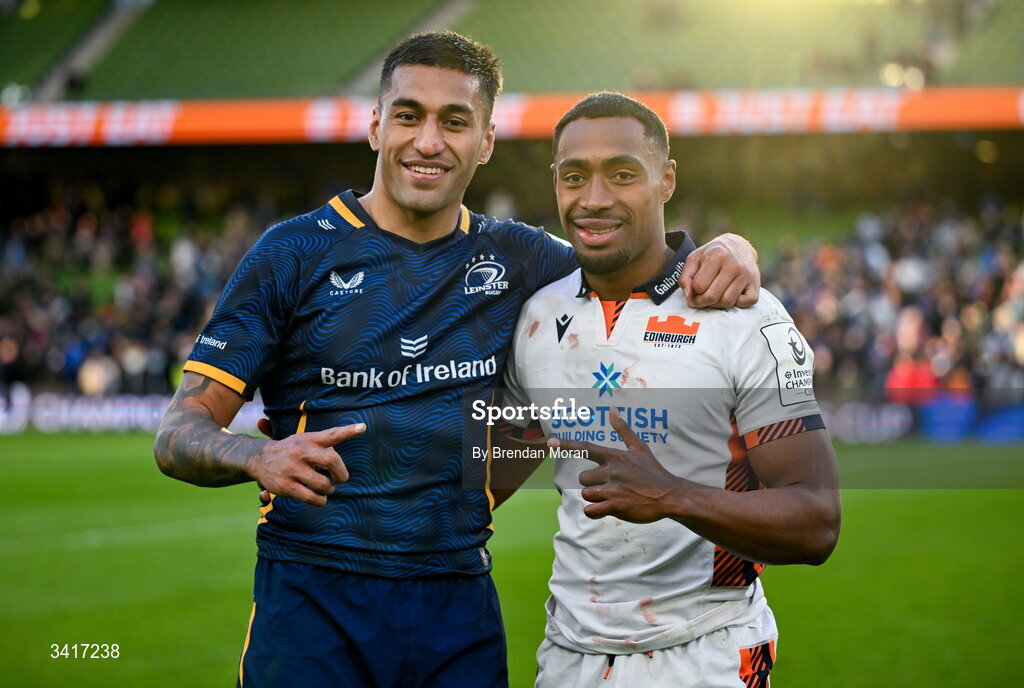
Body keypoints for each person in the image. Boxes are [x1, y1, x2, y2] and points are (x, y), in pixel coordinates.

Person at [153, 33, 762, 688]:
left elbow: (653, 267)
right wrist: (255, 455)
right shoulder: (290, 255)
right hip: (311, 600)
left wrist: (733, 247)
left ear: (487, 140)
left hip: (456, 605)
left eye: (455, 121)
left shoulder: (525, 260)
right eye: (409, 116)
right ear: (376, 126)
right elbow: (178, 433)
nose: (428, 141)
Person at [497, 92, 841, 688]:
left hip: (701, 654)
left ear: (666, 180)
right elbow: (487, 477)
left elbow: (816, 521)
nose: (594, 198)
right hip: (566, 657)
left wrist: (674, 496)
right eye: (573, 175)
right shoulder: (536, 316)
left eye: (623, 174)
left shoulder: (745, 318)